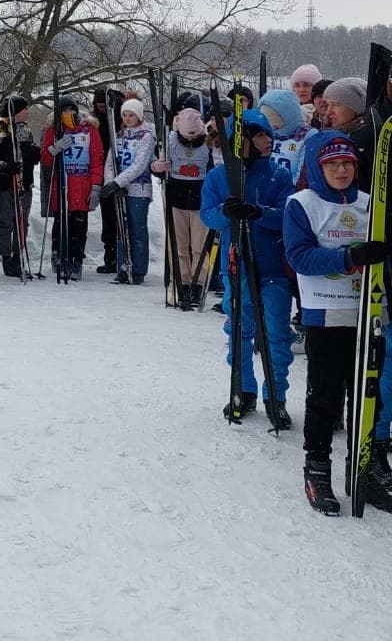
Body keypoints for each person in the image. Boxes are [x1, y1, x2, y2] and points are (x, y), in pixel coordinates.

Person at [283, 130, 391, 514]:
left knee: (368, 398)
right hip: (325, 313)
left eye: (347, 163)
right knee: (326, 397)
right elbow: (299, 257)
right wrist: (350, 257)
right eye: (333, 164)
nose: (342, 170)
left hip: (369, 312)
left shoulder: (370, 203)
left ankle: (365, 468)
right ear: (318, 166)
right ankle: (317, 469)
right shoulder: (303, 204)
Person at [200, 109, 295, 429]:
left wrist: (258, 213)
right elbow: (208, 217)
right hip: (236, 263)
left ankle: (275, 396)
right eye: (260, 136)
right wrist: (227, 212)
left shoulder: (279, 176)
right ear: (242, 141)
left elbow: (288, 216)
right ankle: (243, 388)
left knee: (277, 333)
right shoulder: (219, 177)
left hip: (272, 267)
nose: (268, 141)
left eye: (269, 135)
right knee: (239, 328)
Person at [150, 107, 212, 309]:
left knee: (199, 246)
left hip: (200, 201)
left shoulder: (208, 144)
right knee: (179, 245)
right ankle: (182, 281)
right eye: (188, 138)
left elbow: (216, 168)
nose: (191, 142)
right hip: (176, 199)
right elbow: (154, 164)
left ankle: (198, 283)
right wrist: (158, 167)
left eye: (195, 138)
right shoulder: (170, 141)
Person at [39, 96, 103, 280]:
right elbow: (45, 158)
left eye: (71, 110)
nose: (68, 114)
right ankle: (59, 255)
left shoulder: (89, 131)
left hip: (82, 185)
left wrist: (96, 186)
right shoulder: (54, 130)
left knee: (79, 226)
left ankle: (76, 260)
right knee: (60, 223)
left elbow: (97, 160)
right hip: (62, 184)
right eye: (64, 111)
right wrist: (54, 149)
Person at [101, 96, 155, 284]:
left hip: (138, 189)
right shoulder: (120, 136)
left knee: (136, 230)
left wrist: (119, 182)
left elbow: (140, 165)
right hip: (120, 189)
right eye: (124, 115)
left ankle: (138, 270)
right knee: (121, 230)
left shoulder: (146, 136)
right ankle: (123, 268)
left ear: (139, 115)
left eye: (131, 115)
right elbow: (109, 163)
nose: (127, 118)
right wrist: (111, 183)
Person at [0, 96, 38, 279]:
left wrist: (34, 154)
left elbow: (30, 150)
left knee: (21, 222)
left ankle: (18, 256)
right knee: (7, 221)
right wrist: (5, 166)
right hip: (4, 185)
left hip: (24, 184)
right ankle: (6, 258)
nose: (27, 112)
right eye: (24, 109)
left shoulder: (25, 129)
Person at [90, 86, 122, 273]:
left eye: (104, 105)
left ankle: (122, 256)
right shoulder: (96, 122)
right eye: (98, 105)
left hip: (120, 172)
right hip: (102, 172)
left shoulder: (120, 117)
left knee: (119, 218)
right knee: (108, 218)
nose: (101, 109)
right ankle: (110, 257)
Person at [320, 78, 373, 186]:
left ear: (357, 107)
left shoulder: (367, 137)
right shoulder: (329, 135)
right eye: (327, 105)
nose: (329, 111)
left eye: (336, 104)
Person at [258, 88, 317, 185]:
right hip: (265, 190)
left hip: (291, 192)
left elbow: (303, 174)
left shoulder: (307, 136)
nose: (273, 130)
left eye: (277, 126)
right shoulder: (266, 134)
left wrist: (284, 191)